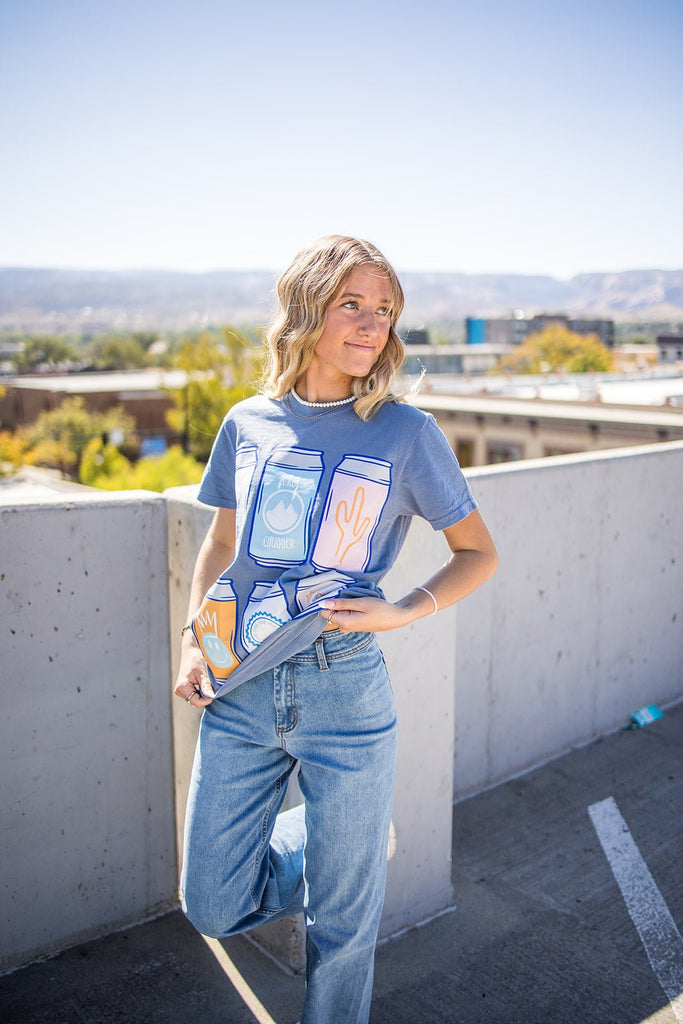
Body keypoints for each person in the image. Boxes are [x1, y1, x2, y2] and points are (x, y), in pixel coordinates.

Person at [174, 235, 497, 1024]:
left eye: (383, 310)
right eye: (351, 303)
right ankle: (338, 847)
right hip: (239, 682)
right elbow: (222, 541)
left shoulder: (405, 432)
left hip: (343, 684)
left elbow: (477, 554)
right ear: (306, 309)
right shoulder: (247, 422)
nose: (370, 324)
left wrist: (402, 609)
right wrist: (193, 636)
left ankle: (346, 861)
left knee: (342, 928)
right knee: (210, 903)